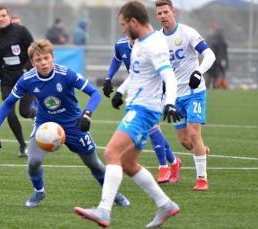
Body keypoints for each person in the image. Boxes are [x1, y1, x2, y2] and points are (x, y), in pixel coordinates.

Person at [0, 39, 130, 209]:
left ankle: (114, 195)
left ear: (53, 57)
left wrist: (87, 114)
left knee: (95, 165)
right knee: (33, 162)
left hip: (73, 124)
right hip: (45, 125)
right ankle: (39, 191)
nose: (43, 63)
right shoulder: (27, 79)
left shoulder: (66, 74)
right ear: (33, 63)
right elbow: (9, 102)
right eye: (38, 60)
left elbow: (94, 93)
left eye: (46, 58)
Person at [74, 1, 181, 228]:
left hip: (144, 110)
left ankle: (104, 210)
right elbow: (138, 73)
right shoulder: (141, 43)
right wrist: (121, 91)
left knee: (111, 152)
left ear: (134, 21)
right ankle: (165, 205)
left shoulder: (154, 44)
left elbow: (169, 76)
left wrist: (170, 103)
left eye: (123, 24)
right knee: (128, 163)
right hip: (137, 106)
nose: (122, 29)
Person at [102, 36, 182, 183]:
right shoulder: (121, 44)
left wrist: (170, 101)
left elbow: (168, 74)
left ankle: (164, 167)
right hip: (137, 90)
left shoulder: (150, 46)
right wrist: (109, 79)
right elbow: (118, 60)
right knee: (152, 129)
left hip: (157, 90)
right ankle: (173, 162)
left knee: (152, 128)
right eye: (123, 24)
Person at [155, 0, 216, 190]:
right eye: (159, 13)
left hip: (194, 92)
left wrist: (198, 72)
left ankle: (202, 180)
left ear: (174, 12)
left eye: (166, 12)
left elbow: (210, 55)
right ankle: (201, 151)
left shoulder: (188, 33)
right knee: (184, 140)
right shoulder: (156, 39)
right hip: (173, 96)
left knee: (193, 133)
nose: (163, 16)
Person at [0, 5, 36, 158]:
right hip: (7, 80)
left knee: (24, 112)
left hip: (25, 77)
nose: (1, 18)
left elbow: (34, 50)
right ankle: (23, 146)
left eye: (3, 15)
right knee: (9, 113)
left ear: (8, 16)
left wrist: (27, 68)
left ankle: (36, 113)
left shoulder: (21, 31)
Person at [206, 22, 229, 89]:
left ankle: (216, 86)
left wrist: (223, 61)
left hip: (216, 60)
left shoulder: (218, 40)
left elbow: (222, 52)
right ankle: (213, 86)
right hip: (214, 60)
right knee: (212, 74)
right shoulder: (212, 39)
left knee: (215, 75)